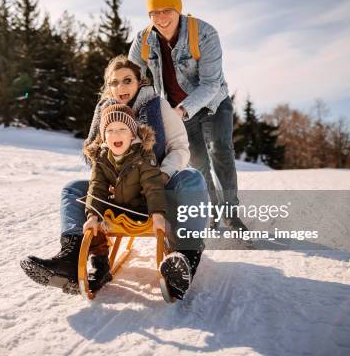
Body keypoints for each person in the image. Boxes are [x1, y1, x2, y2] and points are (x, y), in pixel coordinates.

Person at [21, 55, 210, 300]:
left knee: (192, 179)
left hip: (158, 184)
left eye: (127, 81)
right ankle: (71, 257)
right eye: (114, 83)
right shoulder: (104, 111)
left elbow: (181, 148)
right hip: (120, 189)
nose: (120, 88)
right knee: (72, 189)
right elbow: (94, 155)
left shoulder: (157, 105)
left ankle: (185, 258)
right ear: (107, 86)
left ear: (140, 82)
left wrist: (163, 174)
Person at [128, 0, 248, 232]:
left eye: (167, 11)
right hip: (177, 110)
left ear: (178, 9)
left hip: (213, 103)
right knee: (197, 163)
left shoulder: (204, 34)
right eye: (154, 13)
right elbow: (131, 78)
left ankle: (231, 213)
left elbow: (211, 83)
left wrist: (180, 110)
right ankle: (213, 210)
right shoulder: (144, 41)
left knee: (220, 151)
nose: (161, 18)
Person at [81, 104, 167, 292]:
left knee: (164, 210)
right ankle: (100, 262)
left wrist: (157, 213)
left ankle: (171, 259)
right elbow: (97, 187)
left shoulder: (144, 154)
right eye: (110, 130)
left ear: (132, 134)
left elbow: (153, 186)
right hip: (117, 206)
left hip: (141, 209)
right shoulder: (101, 157)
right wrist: (92, 216)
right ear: (103, 136)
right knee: (91, 215)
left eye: (122, 129)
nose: (116, 135)